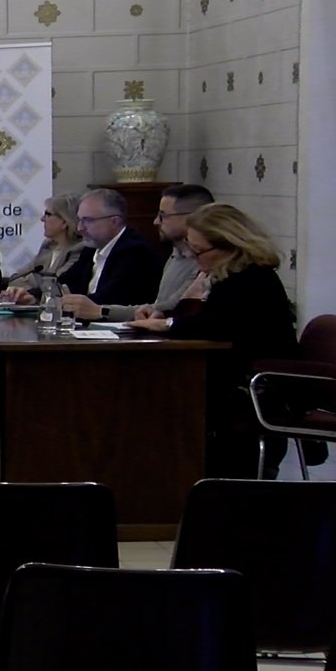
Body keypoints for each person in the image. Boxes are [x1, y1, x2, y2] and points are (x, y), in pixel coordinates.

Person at [126, 204, 299, 478]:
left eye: (199, 251)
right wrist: (164, 317)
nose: (193, 257)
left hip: (259, 386)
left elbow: (226, 325)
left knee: (166, 400)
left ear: (230, 246)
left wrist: (168, 325)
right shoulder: (226, 276)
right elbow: (206, 318)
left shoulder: (254, 278)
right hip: (231, 375)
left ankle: (184, 478)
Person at [62, 183, 215, 322]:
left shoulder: (137, 252)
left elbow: (173, 308)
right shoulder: (176, 254)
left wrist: (101, 311)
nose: (156, 222)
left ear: (191, 217)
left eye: (163, 216)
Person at [58, 187, 163, 309]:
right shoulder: (91, 248)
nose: (80, 228)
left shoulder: (136, 254)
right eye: (79, 220)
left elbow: (110, 300)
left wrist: (66, 300)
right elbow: (64, 282)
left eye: (88, 220)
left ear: (114, 222)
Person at [0, 193, 88, 303]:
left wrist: (31, 284)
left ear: (64, 221)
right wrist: (32, 288)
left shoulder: (80, 249)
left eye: (48, 214)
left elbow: (55, 286)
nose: (42, 219)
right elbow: (16, 278)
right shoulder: (48, 246)